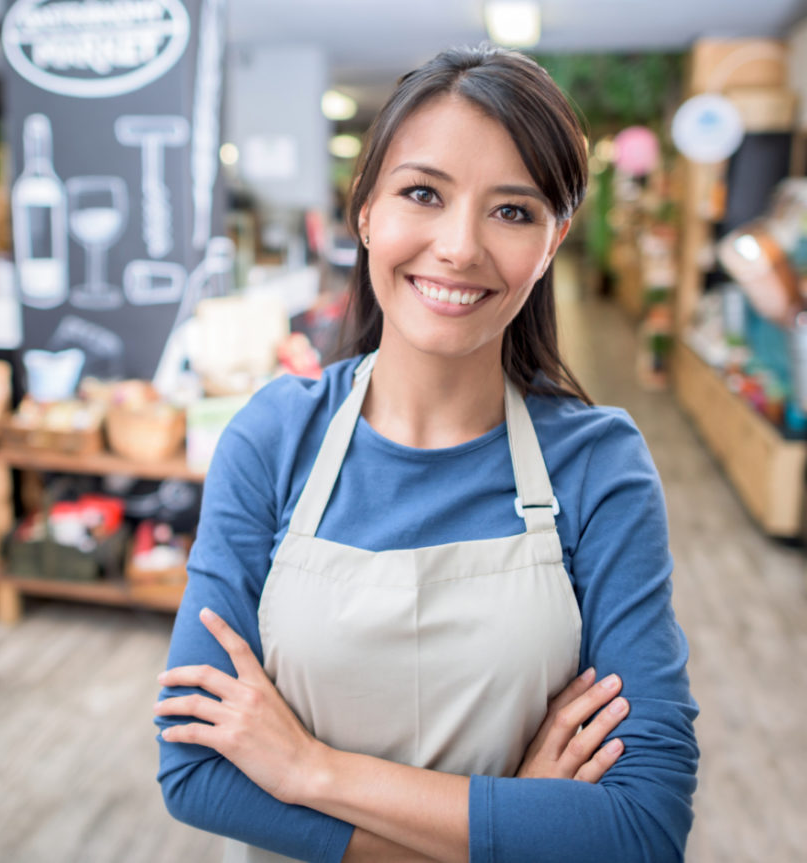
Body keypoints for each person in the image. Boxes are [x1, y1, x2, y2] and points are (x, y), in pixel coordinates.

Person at [154, 44, 699, 863]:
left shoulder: (598, 466)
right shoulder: (272, 437)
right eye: (423, 193)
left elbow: (641, 828)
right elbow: (196, 768)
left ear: (552, 244)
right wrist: (517, 826)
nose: (458, 247)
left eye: (512, 211)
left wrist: (309, 769)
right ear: (366, 211)